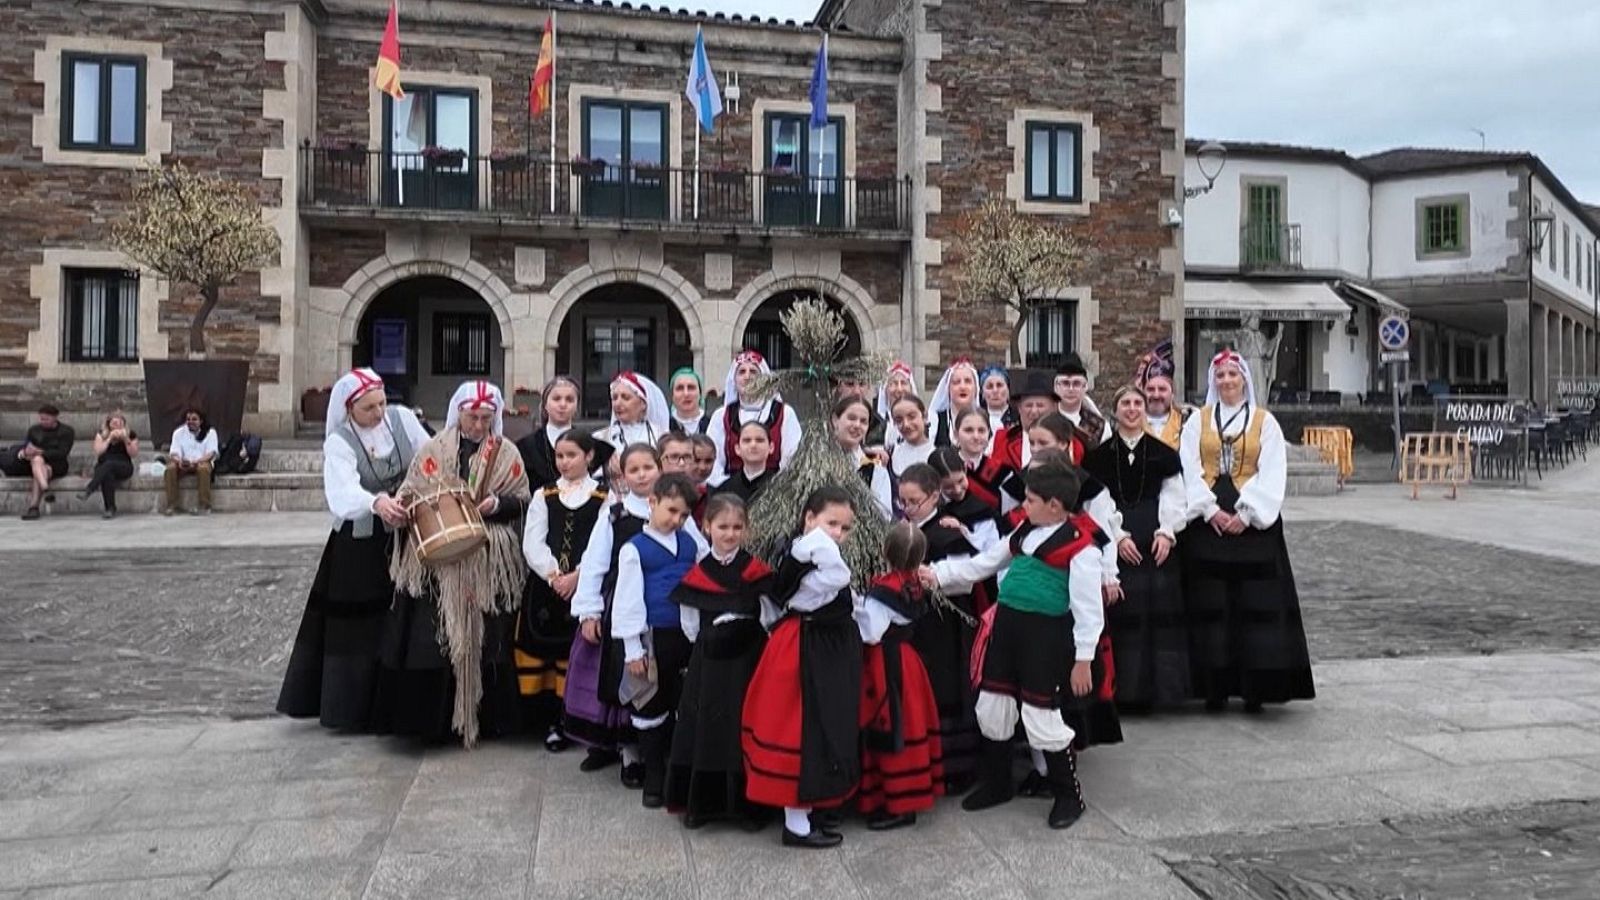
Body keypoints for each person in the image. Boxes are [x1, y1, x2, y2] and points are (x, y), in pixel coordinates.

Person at [920, 460, 1109, 830]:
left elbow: (1089, 610)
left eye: (1031, 500)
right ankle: (998, 782)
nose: (1023, 505)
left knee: (1042, 715)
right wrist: (938, 574)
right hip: (1007, 629)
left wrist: (1083, 659)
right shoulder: (1025, 530)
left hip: (1046, 638)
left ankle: (1069, 795)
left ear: (1055, 505)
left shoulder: (1082, 548)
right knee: (993, 705)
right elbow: (984, 563)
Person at [377, 380, 532, 747]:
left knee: (489, 638)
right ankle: (434, 723)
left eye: (486, 418)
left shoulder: (507, 453)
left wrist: (500, 505)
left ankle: (489, 720)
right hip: (440, 563)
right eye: (472, 417)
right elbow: (411, 491)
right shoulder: (434, 450)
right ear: (458, 413)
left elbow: (523, 497)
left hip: (488, 558)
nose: (479, 426)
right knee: (439, 638)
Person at [277, 368, 430, 731]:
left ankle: (397, 704)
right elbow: (341, 492)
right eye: (368, 408)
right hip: (359, 545)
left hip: (406, 533)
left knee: (403, 616)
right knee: (360, 627)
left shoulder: (402, 419)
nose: (378, 413)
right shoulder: (340, 442)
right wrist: (375, 502)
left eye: (381, 403)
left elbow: (429, 458)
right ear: (349, 410)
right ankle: (354, 708)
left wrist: (415, 491)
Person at [1179, 350, 1315, 712]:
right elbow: (1188, 467)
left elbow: (1272, 469)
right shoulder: (1197, 422)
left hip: (1253, 524)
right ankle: (1214, 688)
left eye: (1232, 375)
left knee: (1254, 605)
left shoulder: (1264, 422)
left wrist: (1247, 513)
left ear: (1244, 380)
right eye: (1220, 376)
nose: (1226, 381)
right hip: (1208, 521)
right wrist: (1209, 510)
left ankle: (1257, 688)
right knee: (1211, 605)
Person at [742, 486, 862, 849]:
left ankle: (814, 808)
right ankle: (796, 822)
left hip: (823, 647)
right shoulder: (807, 553)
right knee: (799, 729)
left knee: (823, 726)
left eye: (844, 527)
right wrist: (819, 541)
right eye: (831, 523)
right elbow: (838, 578)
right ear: (809, 519)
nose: (837, 534)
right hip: (804, 647)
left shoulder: (812, 554)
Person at [666, 493, 774, 829]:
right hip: (709, 666)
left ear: (747, 530)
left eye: (737, 527)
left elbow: (770, 618)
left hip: (748, 665)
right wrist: (710, 645)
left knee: (742, 730)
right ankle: (704, 805)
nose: (730, 534)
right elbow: (689, 624)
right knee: (707, 730)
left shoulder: (756, 572)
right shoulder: (698, 575)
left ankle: (746, 806)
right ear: (706, 526)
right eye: (722, 526)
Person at [1083, 385, 1190, 710]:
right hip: (1118, 538)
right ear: (1115, 411)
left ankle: (1160, 692)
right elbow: (1095, 502)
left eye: (1137, 403)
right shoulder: (1098, 457)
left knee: (1157, 615)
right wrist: (1117, 536)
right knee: (1123, 615)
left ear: (1144, 410)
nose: (1132, 409)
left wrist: (1167, 532)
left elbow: (1175, 494)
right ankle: (1124, 691)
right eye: (1125, 403)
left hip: (1154, 536)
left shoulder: (1164, 453)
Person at [566, 443, 660, 781]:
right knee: (620, 675)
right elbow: (594, 563)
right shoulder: (615, 515)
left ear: (659, 469)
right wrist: (589, 611)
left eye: (648, 467)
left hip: (659, 608)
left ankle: (651, 748)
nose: (641, 475)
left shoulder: (673, 512)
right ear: (623, 475)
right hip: (619, 608)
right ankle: (627, 753)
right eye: (633, 470)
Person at [611, 473, 701, 808]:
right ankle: (653, 777)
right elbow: (628, 600)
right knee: (650, 703)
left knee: (681, 703)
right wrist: (633, 648)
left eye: (684, 515)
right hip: (653, 636)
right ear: (653, 502)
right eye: (672, 511)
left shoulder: (690, 542)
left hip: (687, 634)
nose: (677, 520)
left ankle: (678, 772)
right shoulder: (635, 549)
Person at [518, 429, 608, 752]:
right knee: (547, 654)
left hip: (585, 588)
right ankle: (552, 722)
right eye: (560, 456)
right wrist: (555, 575)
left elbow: (602, 544)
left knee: (581, 655)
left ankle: (579, 720)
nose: (565, 462)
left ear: (589, 457)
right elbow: (533, 541)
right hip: (547, 589)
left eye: (572, 455)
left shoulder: (604, 497)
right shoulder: (545, 495)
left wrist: (578, 577)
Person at [896, 463, 981, 794]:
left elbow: (968, 581)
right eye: (902, 501)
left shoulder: (947, 533)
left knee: (950, 690)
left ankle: (959, 768)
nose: (906, 508)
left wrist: (932, 576)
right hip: (922, 624)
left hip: (949, 625)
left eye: (913, 501)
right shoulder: (909, 530)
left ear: (934, 496)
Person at [854, 522, 944, 830]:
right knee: (909, 722)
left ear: (884, 552)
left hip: (886, 664)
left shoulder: (883, 591)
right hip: (908, 660)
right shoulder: (915, 582)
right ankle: (903, 795)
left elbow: (871, 633)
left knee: (891, 725)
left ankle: (899, 803)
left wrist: (855, 608)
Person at [705, 350, 801, 477]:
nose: (747, 376)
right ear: (734, 380)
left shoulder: (784, 413)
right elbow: (713, 460)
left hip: (774, 489)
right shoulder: (721, 416)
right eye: (741, 372)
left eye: (753, 371)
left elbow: (791, 460)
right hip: (729, 490)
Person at [595, 372, 670, 484]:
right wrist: (606, 468)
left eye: (625, 397)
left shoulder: (661, 436)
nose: (618, 403)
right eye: (615, 398)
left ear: (643, 404)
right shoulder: (600, 438)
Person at [929, 446, 1004, 556]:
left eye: (960, 481)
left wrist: (962, 529)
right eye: (948, 487)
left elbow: (991, 548)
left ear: (965, 468)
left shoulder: (980, 509)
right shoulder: (929, 505)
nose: (957, 490)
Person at [4, 404, 75, 521]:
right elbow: (26, 445)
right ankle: (43, 491)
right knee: (38, 464)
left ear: (55, 418)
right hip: (36, 463)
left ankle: (34, 507)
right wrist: (27, 451)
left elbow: (63, 452)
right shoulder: (34, 430)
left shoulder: (66, 431)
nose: (43, 421)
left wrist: (40, 452)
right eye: (41, 419)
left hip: (57, 463)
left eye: (46, 419)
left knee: (38, 464)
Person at [516, 375, 583, 490]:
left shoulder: (588, 444)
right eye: (556, 399)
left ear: (576, 406)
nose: (563, 404)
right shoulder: (525, 446)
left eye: (569, 399)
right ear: (545, 405)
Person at [832, 395, 893, 518]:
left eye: (863, 421)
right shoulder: (816, 460)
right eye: (851, 418)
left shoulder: (875, 466)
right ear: (835, 420)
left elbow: (883, 514)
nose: (857, 425)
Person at [81, 412, 138, 518]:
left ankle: (90, 488)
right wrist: (109, 439)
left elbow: (133, 453)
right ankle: (110, 508)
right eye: (114, 422)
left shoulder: (130, 434)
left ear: (123, 423)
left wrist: (126, 439)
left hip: (123, 465)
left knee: (109, 465)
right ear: (108, 424)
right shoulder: (101, 434)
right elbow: (98, 451)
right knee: (107, 473)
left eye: (119, 422)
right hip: (104, 466)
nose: (116, 424)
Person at [163, 408, 217, 516]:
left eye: (194, 419)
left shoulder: (210, 432)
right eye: (188, 419)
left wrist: (196, 462)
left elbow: (210, 454)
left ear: (201, 421)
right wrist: (179, 462)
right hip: (183, 463)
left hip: (202, 461)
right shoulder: (178, 433)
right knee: (170, 469)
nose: (190, 422)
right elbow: (174, 452)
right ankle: (172, 505)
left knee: (203, 469)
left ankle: (204, 505)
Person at [1053, 354, 1112, 450]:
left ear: (1085, 387)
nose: (1071, 389)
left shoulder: (1100, 426)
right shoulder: (1045, 421)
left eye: (1076, 384)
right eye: (1065, 383)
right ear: (1056, 387)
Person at [709, 421, 774, 504]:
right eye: (747, 440)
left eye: (759, 440)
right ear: (737, 449)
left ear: (771, 447)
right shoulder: (724, 491)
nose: (753, 445)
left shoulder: (781, 486)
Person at [929, 358, 981, 447]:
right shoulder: (935, 420)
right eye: (956, 382)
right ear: (948, 389)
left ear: (976, 388)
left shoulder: (986, 420)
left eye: (968, 381)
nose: (962, 387)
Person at [888, 395, 936, 484]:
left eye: (911, 417)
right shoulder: (890, 455)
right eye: (899, 420)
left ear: (924, 417)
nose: (906, 424)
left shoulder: (937, 454)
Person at [875, 360, 918, 450]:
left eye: (903, 383)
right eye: (893, 383)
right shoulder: (876, 423)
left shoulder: (921, 421)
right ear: (885, 390)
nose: (899, 389)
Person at [668, 368, 713, 436]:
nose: (686, 394)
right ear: (672, 396)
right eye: (680, 388)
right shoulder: (665, 427)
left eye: (691, 387)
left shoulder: (712, 424)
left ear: (700, 394)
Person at [980, 365, 1019, 437]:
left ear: (1008, 390)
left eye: (999, 385)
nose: (995, 391)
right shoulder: (977, 418)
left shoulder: (1019, 418)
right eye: (990, 386)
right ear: (982, 393)